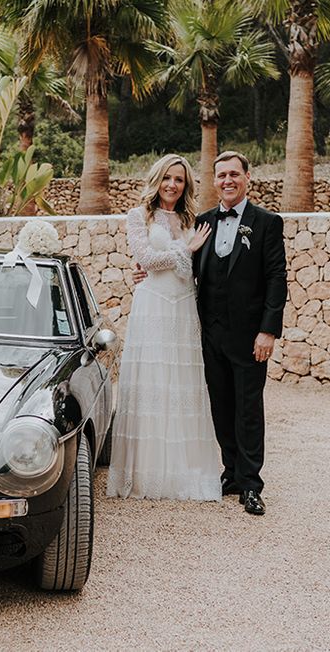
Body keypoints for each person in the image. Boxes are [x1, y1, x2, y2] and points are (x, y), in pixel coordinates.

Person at [106, 154, 222, 501]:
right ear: (157, 179)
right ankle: (147, 473)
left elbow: (195, 265)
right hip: (153, 305)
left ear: (186, 185)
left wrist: (183, 252)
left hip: (185, 304)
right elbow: (147, 259)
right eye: (168, 178)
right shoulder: (138, 216)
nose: (173, 184)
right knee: (153, 383)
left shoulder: (192, 219)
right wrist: (184, 248)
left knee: (183, 384)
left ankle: (184, 472)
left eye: (180, 180)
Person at [192, 150, 287, 515]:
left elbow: (276, 279)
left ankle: (250, 483)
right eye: (221, 176)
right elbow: (187, 269)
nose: (227, 181)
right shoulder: (203, 223)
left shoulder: (266, 222)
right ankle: (230, 472)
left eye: (234, 174)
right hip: (211, 334)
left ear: (248, 177)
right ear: (214, 181)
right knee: (221, 406)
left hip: (249, 337)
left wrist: (268, 331)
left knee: (248, 409)